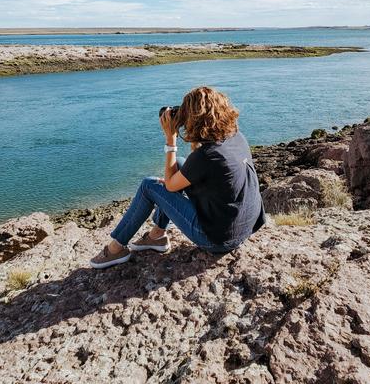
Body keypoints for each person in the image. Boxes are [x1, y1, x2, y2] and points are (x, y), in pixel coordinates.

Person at [90, 86, 266, 269]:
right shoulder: (236, 136)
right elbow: (200, 165)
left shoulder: (207, 155)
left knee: (149, 186)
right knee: (181, 163)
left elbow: (171, 186)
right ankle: (157, 235)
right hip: (245, 228)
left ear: (195, 118)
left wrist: (170, 139)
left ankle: (115, 249)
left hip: (217, 240)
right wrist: (195, 135)